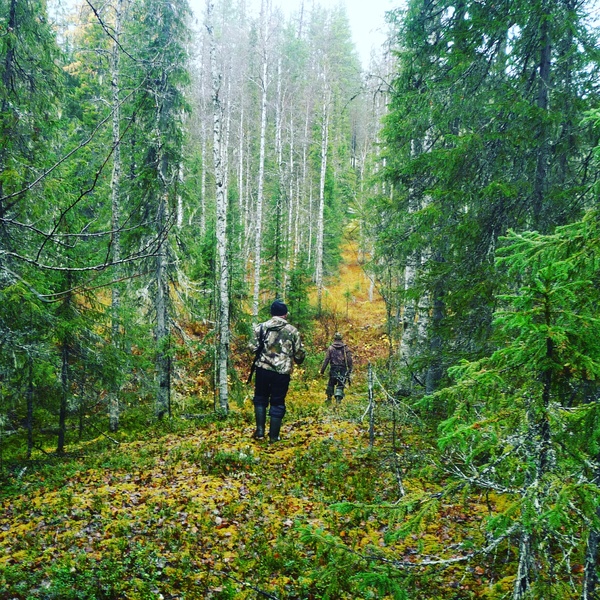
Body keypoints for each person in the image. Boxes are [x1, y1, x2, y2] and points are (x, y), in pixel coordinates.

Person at [249, 300, 305, 442]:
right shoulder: (292, 331)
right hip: (282, 373)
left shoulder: (260, 328)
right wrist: (295, 359)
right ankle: (274, 436)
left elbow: (252, 348)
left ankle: (260, 432)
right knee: (278, 401)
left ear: (272, 313)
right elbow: (299, 354)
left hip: (263, 370)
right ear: (285, 314)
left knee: (260, 398)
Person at [320, 332, 353, 404]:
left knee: (331, 383)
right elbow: (349, 359)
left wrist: (322, 370)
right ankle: (338, 400)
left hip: (333, 368)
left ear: (334, 339)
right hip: (342, 368)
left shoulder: (330, 348)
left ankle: (329, 398)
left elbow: (326, 360)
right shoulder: (345, 348)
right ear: (341, 339)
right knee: (341, 384)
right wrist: (350, 368)